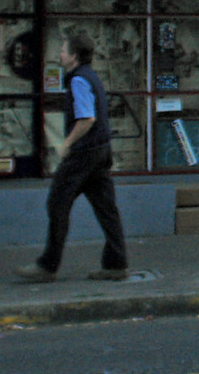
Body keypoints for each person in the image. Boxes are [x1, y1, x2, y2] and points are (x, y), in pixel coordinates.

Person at [16, 32, 128, 282]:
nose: (60, 54)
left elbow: (87, 118)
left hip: (84, 154)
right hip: (101, 150)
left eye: (64, 50)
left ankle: (48, 265)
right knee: (106, 208)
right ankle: (116, 264)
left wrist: (66, 144)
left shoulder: (78, 80)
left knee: (57, 204)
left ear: (74, 56)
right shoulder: (92, 76)